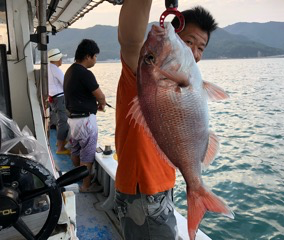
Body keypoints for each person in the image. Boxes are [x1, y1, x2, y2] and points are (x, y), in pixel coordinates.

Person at [114, 0, 218, 239]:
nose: (194, 52)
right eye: (188, 41)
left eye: (201, 47)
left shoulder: (188, 76)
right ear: (173, 32)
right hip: (144, 192)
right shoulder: (146, 71)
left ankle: (196, 191)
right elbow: (130, 41)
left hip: (160, 189)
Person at [63, 39, 106, 193]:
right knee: (87, 155)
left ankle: (80, 177)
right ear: (88, 56)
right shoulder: (85, 73)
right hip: (85, 121)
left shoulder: (70, 70)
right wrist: (102, 104)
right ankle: (86, 186)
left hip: (73, 120)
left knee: (75, 150)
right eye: (95, 56)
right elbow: (100, 96)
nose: (95, 60)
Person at [48, 48, 70, 154]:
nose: (61, 60)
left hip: (53, 98)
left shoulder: (47, 68)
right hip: (60, 98)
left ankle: (58, 142)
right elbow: (66, 84)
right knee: (63, 122)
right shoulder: (55, 69)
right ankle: (60, 148)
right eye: (61, 58)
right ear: (57, 59)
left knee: (58, 120)